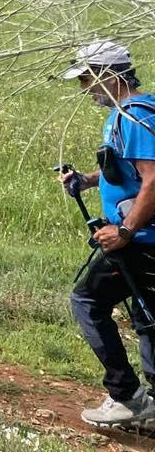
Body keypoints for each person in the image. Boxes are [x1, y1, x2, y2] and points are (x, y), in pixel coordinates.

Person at [56, 40, 155, 428]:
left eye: (87, 79)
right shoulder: (138, 111)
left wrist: (126, 231)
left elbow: (153, 180)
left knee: (87, 301)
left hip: (141, 240)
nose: (85, 88)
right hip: (143, 236)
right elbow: (127, 169)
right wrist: (87, 179)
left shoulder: (133, 117)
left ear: (110, 76)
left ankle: (127, 397)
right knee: (147, 317)